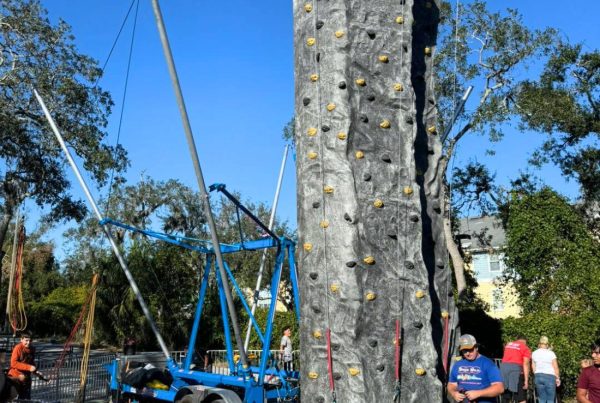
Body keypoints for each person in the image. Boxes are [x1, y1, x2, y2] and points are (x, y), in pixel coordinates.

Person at [447, 334, 504, 402]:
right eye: (464, 351)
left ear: (476, 347)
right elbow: (451, 384)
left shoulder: (488, 363)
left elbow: (499, 388)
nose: (467, 353)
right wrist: (454, 393)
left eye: (470, 349)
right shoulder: (458, 364)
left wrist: (478, 393)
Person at [500, 335, 531, 403]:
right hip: (516, 371)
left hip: (503, 370)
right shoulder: (525, 347)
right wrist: (526, 381)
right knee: (521, 397)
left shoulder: (508, 345)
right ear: (525, 341)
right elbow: (525, 364)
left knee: (505, 395)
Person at [7, 332, 36, 399]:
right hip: (15, 377)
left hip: (26, 379)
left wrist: (37, 372)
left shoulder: (32, 349)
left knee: (26, 399)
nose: (28, 342)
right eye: (26, 340)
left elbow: (31, 363)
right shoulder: (18, 348)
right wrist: (29, 367)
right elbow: (13, 363)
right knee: (12, 399)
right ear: (21, 340)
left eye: (30, 340)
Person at [532, 336, 560, 403]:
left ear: (539, 343)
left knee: (541, 399)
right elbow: (555, 367)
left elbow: (533, 367)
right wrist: (557, 378)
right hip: (549, 376)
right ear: (547, 344)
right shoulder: (551, 353)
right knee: (550, 399)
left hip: (538, 376)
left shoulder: (534, 353)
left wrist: (536, 375)